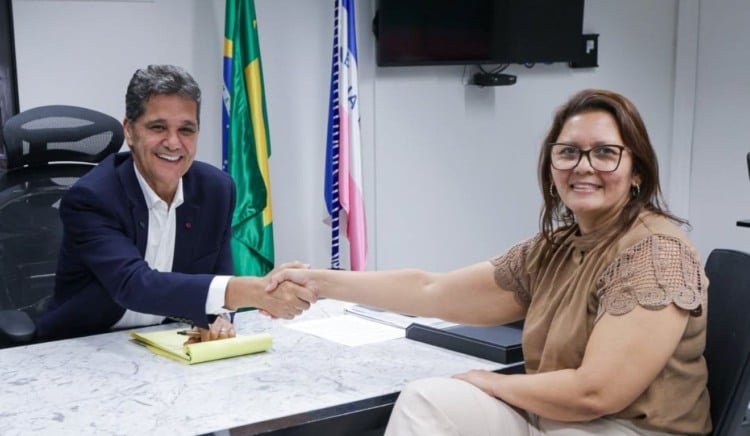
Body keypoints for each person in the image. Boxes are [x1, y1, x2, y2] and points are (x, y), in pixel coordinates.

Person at [267, 89, 710, 435]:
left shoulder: (656, 253)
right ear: (551, 167)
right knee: (427, 401)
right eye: (568, 151)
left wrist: (491, 382)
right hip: (555, 420)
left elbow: (597, 393)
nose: (583, 166)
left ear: (637, 172)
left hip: (627, 430)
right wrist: (319, 282)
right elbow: (431, 290)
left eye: (605, 152)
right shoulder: (554, 248)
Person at [38, 64, 315, 342]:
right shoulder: (93, 198)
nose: (173, 143)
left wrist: (217, 317)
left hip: (167, 339)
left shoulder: (216, 190)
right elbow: (134, 285)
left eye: (186, 130)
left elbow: (217, 276)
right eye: (158, 127)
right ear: (130, 131)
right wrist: (256, 291)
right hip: (83, 344)